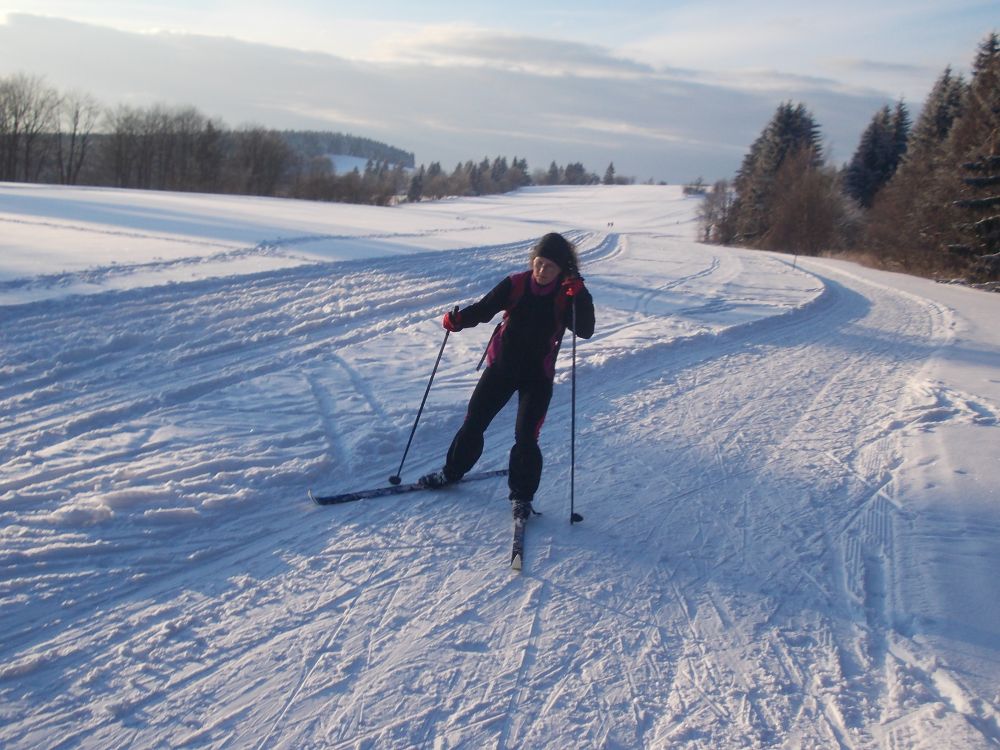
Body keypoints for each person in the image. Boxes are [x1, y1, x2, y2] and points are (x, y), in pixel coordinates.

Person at [419, 232, 595, 519]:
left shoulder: (568, 294)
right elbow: (485, 308)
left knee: (526, 436)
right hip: (502, 367)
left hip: (537, 376)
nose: (541, 271)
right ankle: (451, 473)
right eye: (538, 263)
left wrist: (581, 295)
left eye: (549, 266)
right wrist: (458, 320)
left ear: (562, 269)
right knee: (474, 422)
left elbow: (585, 330)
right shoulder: (516, 284)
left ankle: (522, 497)